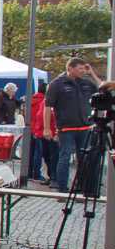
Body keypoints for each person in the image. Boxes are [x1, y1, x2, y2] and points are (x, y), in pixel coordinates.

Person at [46, 57, 100, 193]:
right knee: (65, 156)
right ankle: (62, 189)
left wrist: (92, 74)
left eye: (84, 68)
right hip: (66, 129)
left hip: (85, 127)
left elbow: (103, 88)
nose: (83, 71)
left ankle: (83, 188)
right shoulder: (57, 84)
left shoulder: (86, 83)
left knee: (84, 158)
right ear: (70, 68)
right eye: (80, 68)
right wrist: (47, 128)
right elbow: (47, 106)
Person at [29, 79, 57, 185]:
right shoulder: (45, 101)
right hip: (46, 132)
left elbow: (38, 117)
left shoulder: (34, 100)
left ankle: (37, 175)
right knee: (47, 156)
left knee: (41, 155)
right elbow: (42, 117)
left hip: (38, 131)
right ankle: (50, 177)